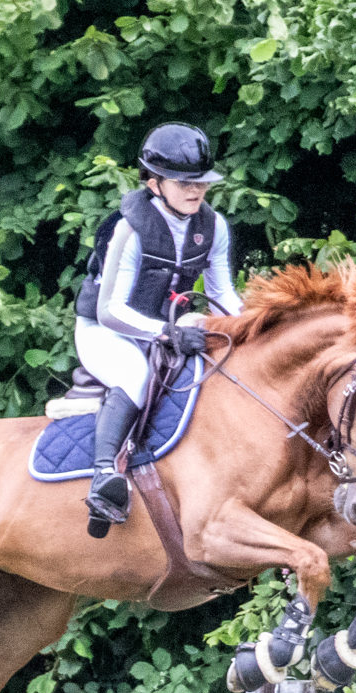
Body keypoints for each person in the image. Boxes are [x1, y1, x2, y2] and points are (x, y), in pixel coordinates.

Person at [74, 122, 243, 533]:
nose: (196, 190)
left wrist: (251, 329)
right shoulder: (128, 228)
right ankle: (104, 477)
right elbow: (110, 311)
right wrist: (168, 335)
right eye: (184, 183)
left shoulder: (213, 226)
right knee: (136, 374)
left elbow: (223, 295)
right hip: (105, 332)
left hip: (164, 330)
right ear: (154, 183)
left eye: (201, 182)